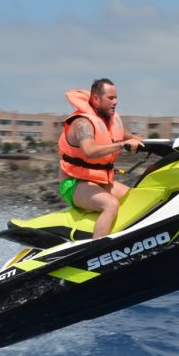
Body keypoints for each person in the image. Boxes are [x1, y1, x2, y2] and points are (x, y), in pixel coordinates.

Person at [57, 78, 144, 239]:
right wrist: (122, 145)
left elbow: (134, 138)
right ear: (96, 99)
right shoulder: (83, 123)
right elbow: (89, 151)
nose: (116, 102)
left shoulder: (110, 121)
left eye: (116, 98)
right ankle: (97, 252)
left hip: (99, 181)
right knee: (110, 205)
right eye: (111, 98)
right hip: (74, 184)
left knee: (136, 198)